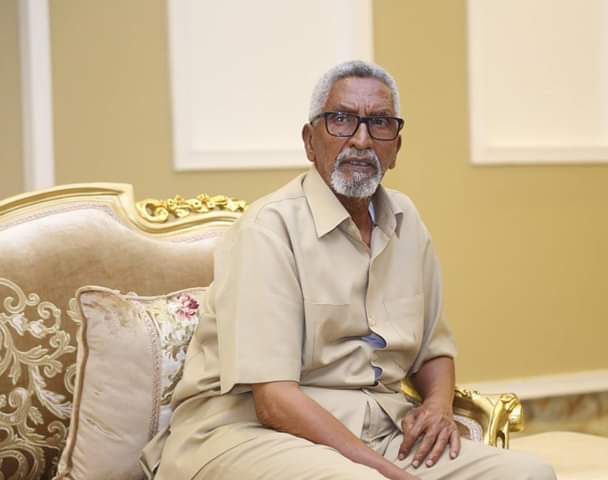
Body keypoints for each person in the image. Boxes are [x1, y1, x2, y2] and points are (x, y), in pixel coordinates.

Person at [141, 60, 556, 480]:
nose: (361, 139)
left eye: (379, 123)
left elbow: (433, 350)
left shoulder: (407, 221)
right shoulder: (267, 229)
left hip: (380, 430)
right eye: (341, 120)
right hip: (246, 435)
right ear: (310, 141)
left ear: (396, 147)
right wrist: (389, 473)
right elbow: (274, 402)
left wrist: (437, 407)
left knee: (529, 474)